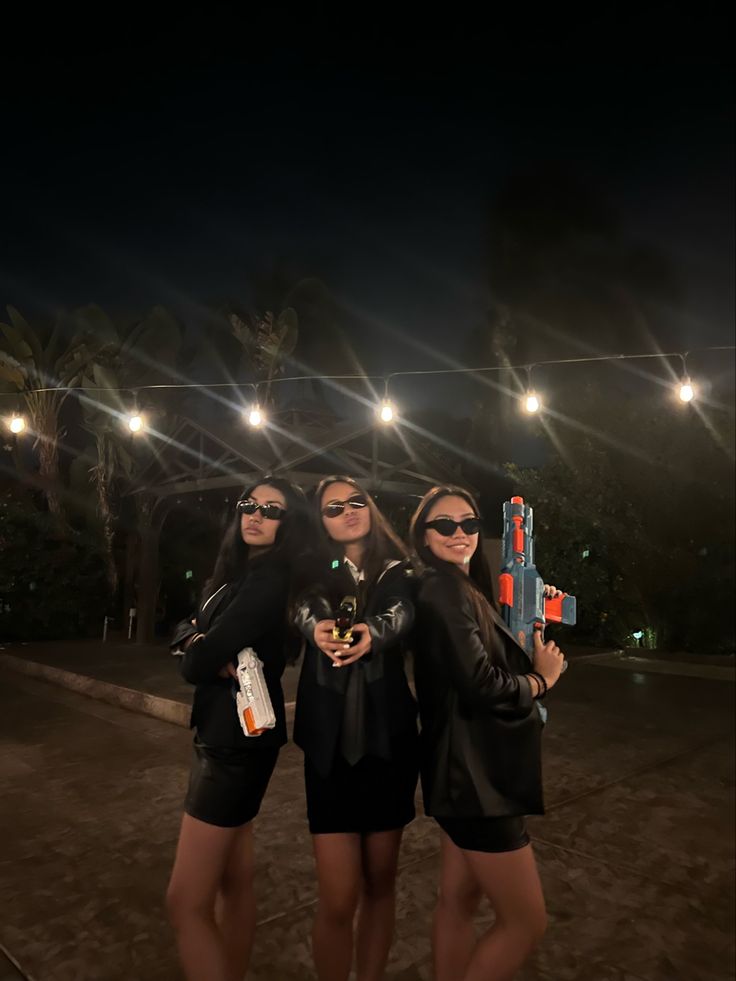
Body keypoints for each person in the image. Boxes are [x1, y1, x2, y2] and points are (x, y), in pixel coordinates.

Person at [409, 485, 566, 981]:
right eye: (445, 525)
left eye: (470, 524)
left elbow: (484, 662)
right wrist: (540, 680)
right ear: (424, 535)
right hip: (478, 780)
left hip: (465, 776)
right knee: (526, 921)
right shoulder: (442, 589)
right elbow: (479, 683)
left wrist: (533, 624)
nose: (460, 534)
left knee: (456, 902)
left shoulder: (465, 588)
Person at [166, 477, 314, 981]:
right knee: (235, 880)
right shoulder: (233, 573)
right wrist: (196, 643)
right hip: (224, 732)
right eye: (249, 505)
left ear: (287, 523)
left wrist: (198, 652)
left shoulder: (272, 577)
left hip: (235, 742)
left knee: (184, 901)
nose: (256, 515)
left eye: (271, 510)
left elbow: (196, 660)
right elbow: (188, 628)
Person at [293, 475, 418, 981]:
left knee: (381, 882)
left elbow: (403, 610)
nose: (348, 511)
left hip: (389, 744)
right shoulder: (313, 568)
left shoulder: (399, 568)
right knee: (338, 896)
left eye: (356, 501)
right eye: (333, 507)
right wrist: (316, 626)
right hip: (327, 749)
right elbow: (305, 603)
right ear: (319, 520)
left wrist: (377, 632)